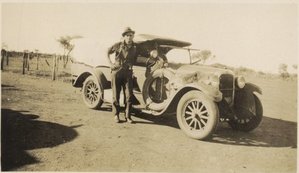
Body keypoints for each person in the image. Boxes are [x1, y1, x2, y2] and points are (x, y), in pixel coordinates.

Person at [107, 27, 147, 123]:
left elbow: (144, 54)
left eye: (131, 35)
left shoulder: (135, 47)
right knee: (116, 95)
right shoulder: (118, 45)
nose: (129, 37)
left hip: (128, 73)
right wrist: (110, 64)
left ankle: (128, 116)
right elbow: (107, 52)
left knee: (129, 95)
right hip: (117, 71)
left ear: (133, 36)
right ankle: (116, 115)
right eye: (127, 35)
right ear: (124, 37)